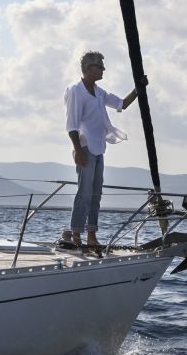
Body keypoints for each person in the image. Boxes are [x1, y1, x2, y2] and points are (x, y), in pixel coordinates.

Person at [63, 50, 147, 253]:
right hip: (84, 147)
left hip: (99, 148)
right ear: (88, 68)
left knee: (95, 193)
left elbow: (121, 104)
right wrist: (78, 151)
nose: (103, 70)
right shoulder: (76, 90)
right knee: (84, 193)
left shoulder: (99, 92)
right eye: (100, 66)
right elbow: (71, 125)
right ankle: (76, 234)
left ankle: (91, 235)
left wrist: (138, 88)